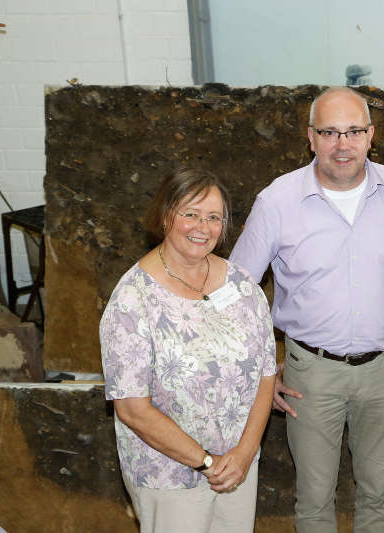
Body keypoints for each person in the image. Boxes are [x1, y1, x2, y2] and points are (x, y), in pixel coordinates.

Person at [229, 86, 384, 533]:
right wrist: (261, 373)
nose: (342, 144)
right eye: (329, 132)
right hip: (310, 372)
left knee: (379, 492)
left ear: (370, 135)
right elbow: (237, 290)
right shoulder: (277, 200)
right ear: (311, 137)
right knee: (314, 498)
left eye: (353, 131)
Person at [100, 168, 277, 533]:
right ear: (166, 215)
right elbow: (133, 409)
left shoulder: (243, 285)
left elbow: (265, 374)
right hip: (169, 475)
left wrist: (243, 455)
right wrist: (207, 462)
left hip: (237, 469)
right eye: (190, 214)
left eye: (213, 217)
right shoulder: (133, 300)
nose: (202, 226)